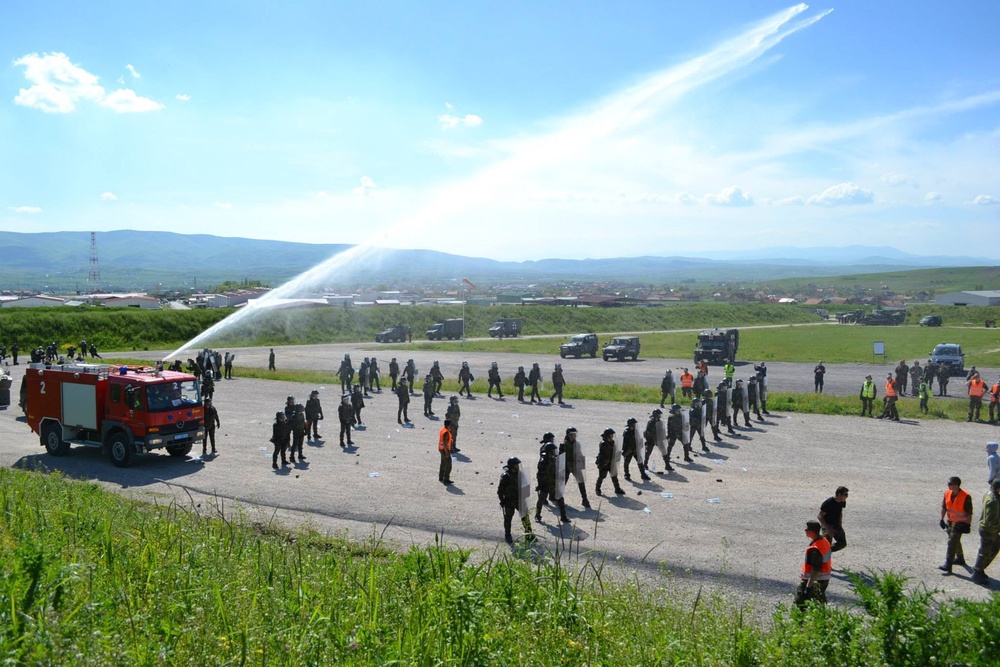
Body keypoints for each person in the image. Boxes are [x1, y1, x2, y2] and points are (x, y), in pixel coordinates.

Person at [794, 520, 832, 609]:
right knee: (819, 601)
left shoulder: (815, 549)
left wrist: (808, 587)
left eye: (807, 529)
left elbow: (816, 569)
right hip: (825, 579)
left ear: (812, 532)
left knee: (800, 602)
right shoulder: (824, 540)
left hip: (814, 580)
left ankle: (800, 620)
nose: (805, 530)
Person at [939, 476, 973, 574]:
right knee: (955, 541)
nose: (948, 485)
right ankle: (960, 558)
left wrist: (968, 525)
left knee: (951, 542)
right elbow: (944, 507)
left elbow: (969, 513)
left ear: (956, 485)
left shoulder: (966, 496)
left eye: (950, 484)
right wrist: (941, 519)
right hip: (950, 522)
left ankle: (948, 564)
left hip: (960, 523)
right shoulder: (947, 493)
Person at [498, 457, 534, 544]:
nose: (518, 467)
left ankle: (529, 534)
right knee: (508, 518)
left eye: (518, 465)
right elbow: (500, 490)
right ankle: (508, 535)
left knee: (525, 517)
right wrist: (502, 500)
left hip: (519, 500)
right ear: (511, 466)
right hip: (509, 501)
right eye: (516, 465)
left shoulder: (520, 474)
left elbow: (525, 486)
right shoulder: (506, 476)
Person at [971, 478, 1000, 585]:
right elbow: (990, 520)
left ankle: (979, 569)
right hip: (989, 530)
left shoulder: (989, 494)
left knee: (993, 548)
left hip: (988, 529)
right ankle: (977, 572)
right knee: (985, 551)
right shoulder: (993, 501)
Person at [535, 436, 569, 524]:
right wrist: (540, 485)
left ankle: (563, 517)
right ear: (549, 451)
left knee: (561, 500)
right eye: (553, 451)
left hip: (554, 483)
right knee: (541, 500)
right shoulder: (543, 461)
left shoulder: (553, 459)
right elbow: (540, 475)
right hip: (546, 484)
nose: (555, 452)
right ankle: (537, 515)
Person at [560, 427, 591, 508]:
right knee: (562, 483)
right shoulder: (563, 445)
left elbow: (580, 454)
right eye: (573, 435)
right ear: (569, 435)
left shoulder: (577, 444)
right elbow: (561, 457)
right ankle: (559, 499)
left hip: (575, 466)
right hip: (566, 466)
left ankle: (585, 499)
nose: (575, 436)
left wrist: (581, 462)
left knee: (581, 482)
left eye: (575, 434)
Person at [595, 428, 625, 497]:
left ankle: (617, 489)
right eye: (611, 435)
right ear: (607, 435)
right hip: (604, 463)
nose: (612, 436)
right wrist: (603, 464)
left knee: (614, 476)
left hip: (611, 462)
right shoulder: (603, 444)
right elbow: (603, 455)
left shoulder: (612, 442)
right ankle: (597, 489)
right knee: (601, 477)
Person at [818, 487, 849, 552]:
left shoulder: (842, 502)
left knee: (842, 543)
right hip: (827, 525)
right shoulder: (828, 503)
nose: (846, 497)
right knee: (826, 543)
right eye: (845, 495)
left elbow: (840, 512)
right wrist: (828, 529)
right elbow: (820, 516)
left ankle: (828, 550)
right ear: (839, 495)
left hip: (836, 525)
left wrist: (840, 524)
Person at [622, 417, 650, 481]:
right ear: (631, 425)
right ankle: (626, 474)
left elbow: (640, 439)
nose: (635, 425)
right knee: (626, 463)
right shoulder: (626, 432)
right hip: (629, 450)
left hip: (635, 449)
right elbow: (624, 442)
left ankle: (643, 474)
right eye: (634, 424)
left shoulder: (636, 431)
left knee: (640, 462)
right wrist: (624, 451)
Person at [643, 408, 671, 472]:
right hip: (651, 439)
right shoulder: (651, 422)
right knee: (648, 452)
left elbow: (662, 430)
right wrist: (652, 438)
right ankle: (645, 464)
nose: (660, 416)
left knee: (664, 450)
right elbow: (648, 432)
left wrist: (663, 436)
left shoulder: (659, 421)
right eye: (658, 414)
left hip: (659, 438)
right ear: (655, 414)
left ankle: (667, 465)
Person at [438, 420, 454, 485]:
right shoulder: (446, 432)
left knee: (443, 463)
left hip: (441, 449)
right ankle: (446, 479)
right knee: (448, 465)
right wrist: (447, 452)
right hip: (445, 450)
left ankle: (441, 477)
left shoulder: (443, 430)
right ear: (449, 425)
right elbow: (445, 443)